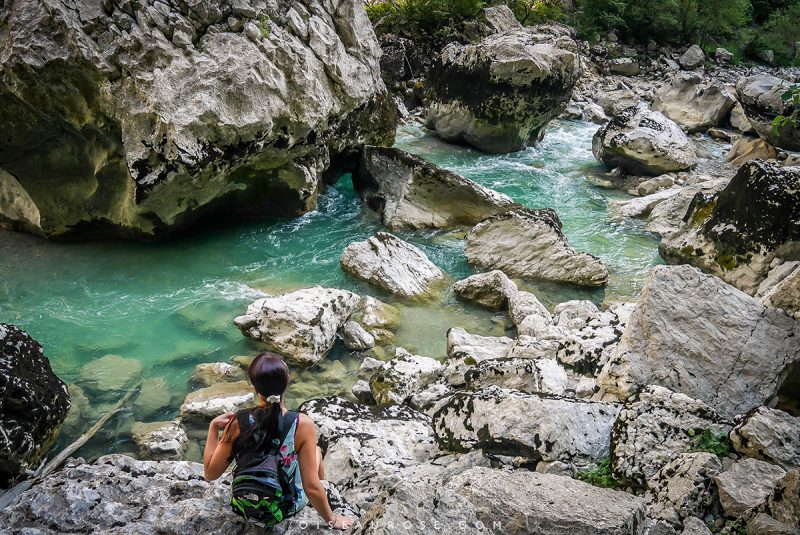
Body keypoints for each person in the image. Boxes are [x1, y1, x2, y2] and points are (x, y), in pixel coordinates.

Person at [203, 351, 354, 530]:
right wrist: (333, 520)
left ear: (255, 388)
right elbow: (311, 486)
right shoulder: (301, 423)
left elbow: (210, 474)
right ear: (287, 380)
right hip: (283, 507)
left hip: (246, 502)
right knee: (316, 451)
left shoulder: (239, 421)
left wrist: (213, 428)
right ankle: (326, 491)